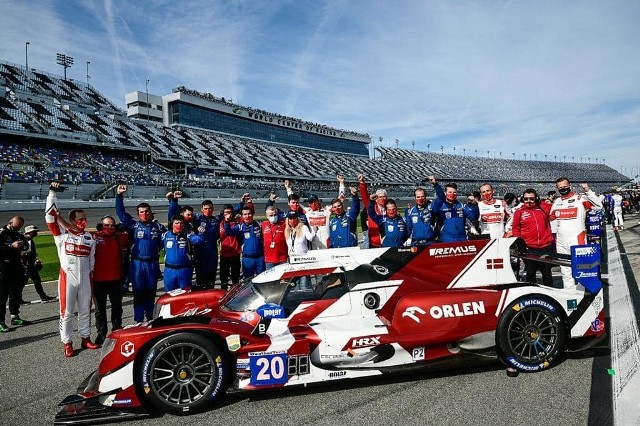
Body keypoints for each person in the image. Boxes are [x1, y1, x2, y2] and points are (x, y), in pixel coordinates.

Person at [45, 183, 99, 357]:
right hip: (68, 277)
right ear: (72, 221)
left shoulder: (90, 237)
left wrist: (90, 274)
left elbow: (92, 260)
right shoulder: (61, 234)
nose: (84, 222)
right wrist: (52, 193)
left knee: (85, 309)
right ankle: (67, 342)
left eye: (85, 219)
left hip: (86, 278)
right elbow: (50, 216)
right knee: (66, 313)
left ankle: (85, 337)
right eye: (80, 219)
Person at [115, 184, 165, 323]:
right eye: (141, 212)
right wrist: (119, 196)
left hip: (153, 264)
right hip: (137, 264)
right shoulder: (133, 225)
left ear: (151, 212)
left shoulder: (159, 227)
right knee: (138, 294)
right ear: (138, 214)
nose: (145, 214)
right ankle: (138, 320)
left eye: (147, 211)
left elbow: (164, 241)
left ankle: (150, 319)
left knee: (150, 293)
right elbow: (120, 212)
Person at [549, 177, 602, 289]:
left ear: (570, 185)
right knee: (565, 270)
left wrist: (588, 191)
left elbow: (598, 207)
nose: (563, 189)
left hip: (577, 239)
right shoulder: (557, 202)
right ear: (557, 188)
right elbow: (551, 219)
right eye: (560, 188)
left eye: (565, 187)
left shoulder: (580, 199)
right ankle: (569, 294)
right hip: (561, 241)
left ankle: (583, 295)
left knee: (582, 270)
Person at [92, 215, 129, 345]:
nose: (110, 227)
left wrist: (121, 230)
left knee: (117, 307)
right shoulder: (94, 237)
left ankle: (117, 329)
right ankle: (101, 333)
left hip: (116, 279)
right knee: (100, 310)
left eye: (112, 225)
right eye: (106, 225)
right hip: (99, 280)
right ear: (101, 225)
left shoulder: (119, 237)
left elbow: (129, 231)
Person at [510, 189, 554, 286]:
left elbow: (555, 208)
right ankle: (532, 294)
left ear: (536, 198)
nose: (529, 201)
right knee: (530, 273)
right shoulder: (519, 212)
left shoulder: (543, 208)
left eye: (532, 199)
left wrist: (542, 203)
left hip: (545, 246)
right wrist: (519, 244)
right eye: (526, 199)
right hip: (529, 247)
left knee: (547, 273)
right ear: (522, 199)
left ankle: (550, 295)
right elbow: (516, 229)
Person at [0, 216, 30, 332]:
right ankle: (1, 322)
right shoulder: (2, 233)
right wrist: (10, 246)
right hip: (3, 269)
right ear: (10, 222)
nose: (16, 228)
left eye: (19, 227)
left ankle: (15, 316)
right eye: (15, 226)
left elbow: (26, 246)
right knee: (2, 297)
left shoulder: (18, 234)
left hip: (16, 268)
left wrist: (24, 245)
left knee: (15, 294)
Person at [428, 176, 479, 242]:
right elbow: (440, 197)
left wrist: (474, 204)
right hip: (446, 239)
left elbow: (473, 216)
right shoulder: (440, 205)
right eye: (450, 192)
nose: (452, 194)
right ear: (445, 193)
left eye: (454, 192)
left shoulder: (461, 205)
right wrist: (435, 184)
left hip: (462, 239)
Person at [161, 215, 204, 291]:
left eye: (181, 223)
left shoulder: (188, 234)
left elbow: (198, 240)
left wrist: (201, 232)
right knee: (169, 293)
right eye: (176, 223)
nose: (179, 225)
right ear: (172, 224)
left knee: (184, 293)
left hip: (184, 269)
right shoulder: (165, 235)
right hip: (169, 270)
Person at [223, 206, 265, 280]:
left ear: (252, 214)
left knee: (262, 280)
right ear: (242, 216)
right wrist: (227, 222)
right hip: (247, 258)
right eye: (245, 214)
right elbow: (228, 232)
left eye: (249, 214)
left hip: (260, 258)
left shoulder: (259, 224)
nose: (247, 216)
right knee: (247, 280)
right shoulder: (240, 226)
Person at [22, 225, 55, 302]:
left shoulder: (29, 240)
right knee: (23, 282)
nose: (36, 233)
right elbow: (23, 254)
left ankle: (43, 296)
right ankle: (17, 298)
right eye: (34, 231)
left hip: (30, 265)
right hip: (28, 265)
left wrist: (35, 260)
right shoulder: (27, 240)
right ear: (29, 232)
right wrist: (27, 263)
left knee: (36, 281)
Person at [328, 182, 360, 248]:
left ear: (342, 206)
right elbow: (332, 238)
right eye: (335, 207)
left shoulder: (350, 216)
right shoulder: (332, 221)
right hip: (337, 251)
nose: (337, 208)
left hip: (351, 250)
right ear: (333, 209)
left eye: (339, 206)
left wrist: (355, 196)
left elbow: (356, 208)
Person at [359, 174, 387, 248]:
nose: (382, 198)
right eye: (380, 197)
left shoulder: (389, 209)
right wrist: (362, 183)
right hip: (374, 243)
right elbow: (364, 196)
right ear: (376, 198)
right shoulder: (371, 208)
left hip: (387, 243)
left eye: (384, 196)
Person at [219, 204, 242, 290]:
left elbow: (229, 231)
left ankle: (236, 295)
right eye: (226, 212)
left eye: (230, 212)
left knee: (235, 278)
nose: (228, 214)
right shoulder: (220, 222)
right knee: (224, 279)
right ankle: (223, 294)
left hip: (235, 254)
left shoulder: (237, 222)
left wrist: (242, 203)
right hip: (224, 254)